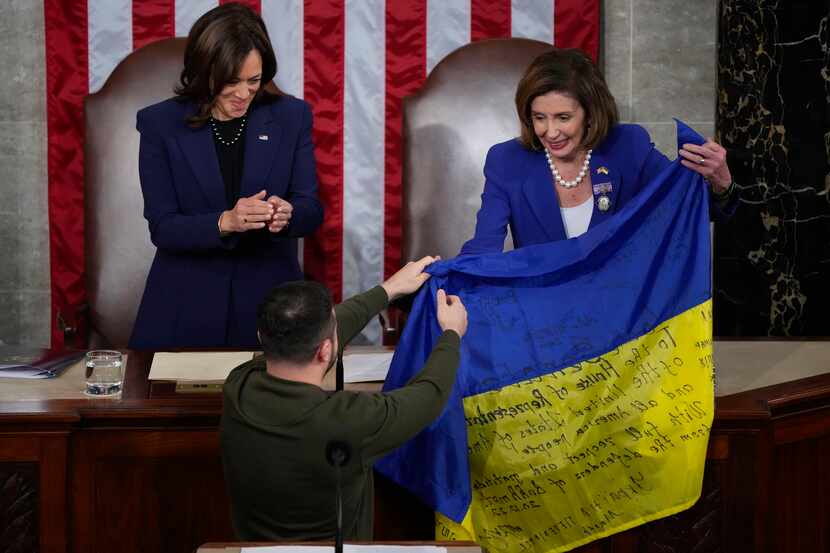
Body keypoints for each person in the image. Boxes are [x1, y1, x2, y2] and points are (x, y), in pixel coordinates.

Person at [219, 256, 468, 541]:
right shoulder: (349, 421)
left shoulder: (238, 385)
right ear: (325, 352)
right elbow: (429, 395)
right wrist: (451, 334)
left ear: (262, 337)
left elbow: (313, 335)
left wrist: (387, 291)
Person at [129, 3, 323, 349]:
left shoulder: (292, 116)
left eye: (254, 80)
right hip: (185, 303)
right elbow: (163, 226)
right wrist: (225, 221)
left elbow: (310, 207)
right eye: (231, 81)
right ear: (204, 72)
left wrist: (288, 214)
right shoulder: (160, 124)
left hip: (272, 305)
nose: (244, 93)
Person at [460, 48, 738, 255]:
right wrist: (442, 279)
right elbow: (484, 247)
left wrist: (721, 183)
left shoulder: (629, 146)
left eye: (563, 117)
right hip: (542, 312)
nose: (550, 131)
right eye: (539, 117)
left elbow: (690, 208)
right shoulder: (507, 160)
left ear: (591, 113)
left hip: (620, 313)